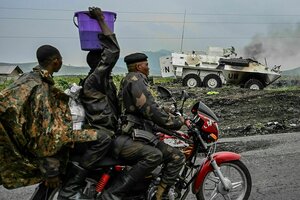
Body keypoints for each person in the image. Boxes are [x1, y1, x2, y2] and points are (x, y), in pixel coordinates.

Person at [0, 44, 107, 200]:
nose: (62, 62)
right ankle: (72, 186)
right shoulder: (41, 87)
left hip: (28, 141)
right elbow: (44, 133)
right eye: (61, 59)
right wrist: (51, 170)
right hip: (44, 143)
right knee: (104, 137)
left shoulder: (28, 78)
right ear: (56, 61)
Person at [101, 53, 186, 200]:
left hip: (137, 133)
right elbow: (150, 109)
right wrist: (177, 123)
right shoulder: (136, 79)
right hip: (132, 136)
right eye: (146, 65)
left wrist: (168, 111)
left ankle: (159, 193)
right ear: (139, 66)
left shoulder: (129, 79)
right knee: (162, 155)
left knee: (176, 155)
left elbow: (146, 107)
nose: (148, 68)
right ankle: (114, 193)